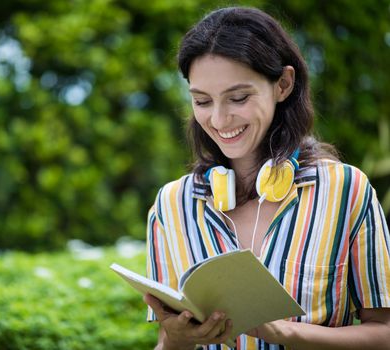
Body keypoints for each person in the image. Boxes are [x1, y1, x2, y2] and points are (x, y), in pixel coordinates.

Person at [142, 6, 390, 350]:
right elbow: (166, 344)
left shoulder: (346, 190)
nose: (219, 119)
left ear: (283, 84)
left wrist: (285, 332)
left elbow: (384, 333)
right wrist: (175, 340)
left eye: (238, 98)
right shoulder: (172, 206)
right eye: (202, 101)